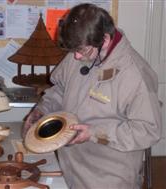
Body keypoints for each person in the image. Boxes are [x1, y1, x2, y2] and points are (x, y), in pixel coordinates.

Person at [22, 3, 162, 189]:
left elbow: (148, 131)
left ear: (104, 39)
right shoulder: (80, 50)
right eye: (74, 51)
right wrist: (42, 110)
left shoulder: (136, 74)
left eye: (82, 51)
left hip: (109, 178)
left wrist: (94, 132)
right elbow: (60, 89)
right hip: (71, 168)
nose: (77, 58)